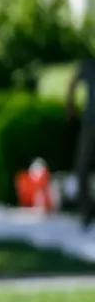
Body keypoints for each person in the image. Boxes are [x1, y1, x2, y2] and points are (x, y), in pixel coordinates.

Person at [66, 57, 95, 228]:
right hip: (90, 122)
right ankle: (86, 212)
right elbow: (72, 84)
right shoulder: (89, 65)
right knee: (82, 167)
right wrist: (69, 107)